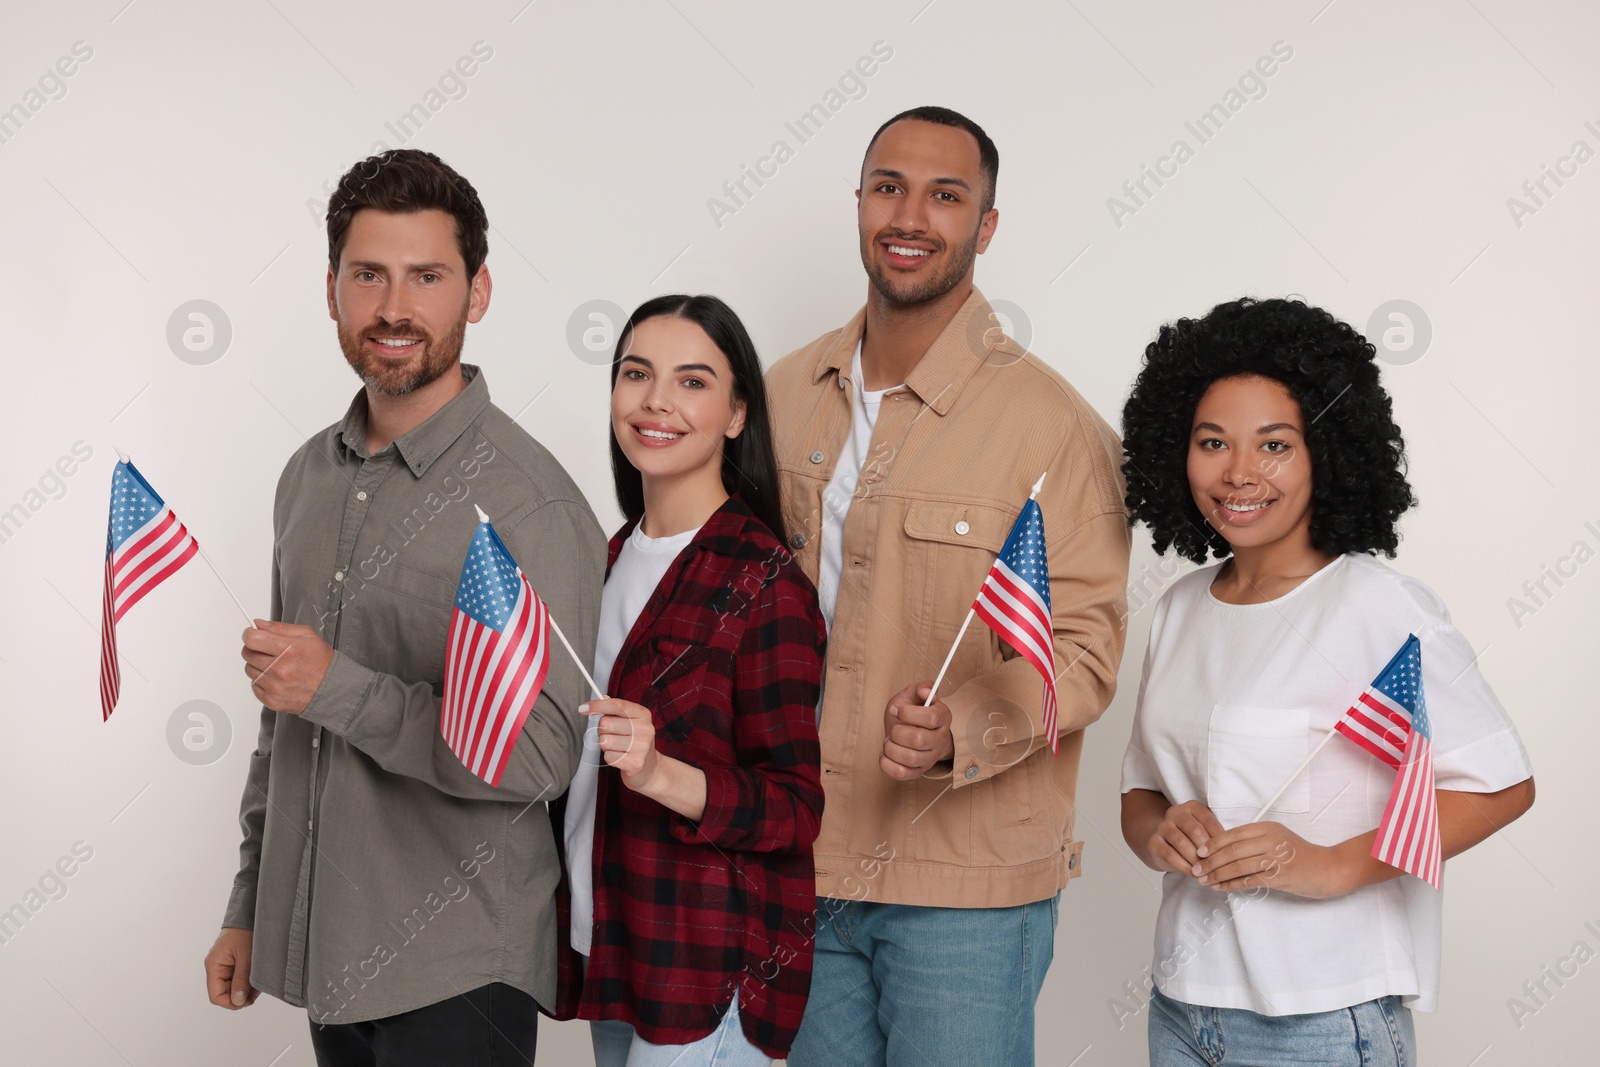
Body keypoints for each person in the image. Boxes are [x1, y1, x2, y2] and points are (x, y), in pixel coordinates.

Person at [202, 148, 605, 1066]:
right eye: (369, 275)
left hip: (460, 967)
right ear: (333, 289)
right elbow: (283, 719)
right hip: (330, 952)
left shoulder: (531, 502)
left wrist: (339, 685)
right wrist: (248, 906)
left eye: (428, 276)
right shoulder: (306, 476)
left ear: (479, 291)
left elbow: (545, 752)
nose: (394, 307)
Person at [767, 106, 1132, 1067]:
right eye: (889, 186)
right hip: (798, 860)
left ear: (988, 223)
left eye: (946, 194)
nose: (911, 214)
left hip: (966, 890)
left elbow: (1086, 648)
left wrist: (963, 727)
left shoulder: (1053, 427)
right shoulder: (778, 393)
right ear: (857, 203)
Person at [1117, 296, 1535, 1066]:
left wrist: (1331, 863)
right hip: (1181, 1007)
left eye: (1273, 444)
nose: (1239, 471)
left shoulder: (1381, 607)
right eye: (1213, 442)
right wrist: (1157, 832)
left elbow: (1502, 784)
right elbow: (1143, 793)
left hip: (1322, 1016)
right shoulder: (1178, 608)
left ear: (1327, 453)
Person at [545, 294, 826, 1065]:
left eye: (692, 381)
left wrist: (662, 771)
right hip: (612, 946)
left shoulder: (764, 580)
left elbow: (797, 809)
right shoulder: (597, 561)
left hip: (707, 970)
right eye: (636, 374)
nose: (656, 400)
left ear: (738, 413)